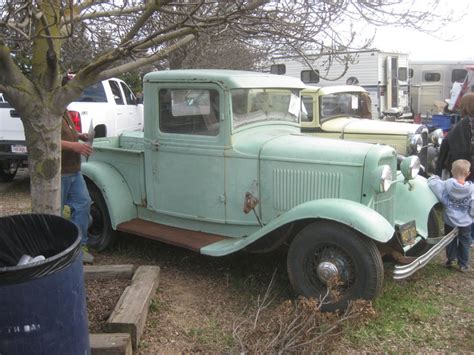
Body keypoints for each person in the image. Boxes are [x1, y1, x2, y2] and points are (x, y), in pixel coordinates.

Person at [436, 92, 474, 246]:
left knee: (461, 204)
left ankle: (461, 235)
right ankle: (470, 237)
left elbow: (448, 144)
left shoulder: (463, 125)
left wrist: (440, 169)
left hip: (465, 170)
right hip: (469, 169)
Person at [428, 159, 473, 272]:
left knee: (450, 240)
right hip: (465, 222)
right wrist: (471, 216)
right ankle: (463, 264)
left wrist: (434, 177)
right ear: (468, 174)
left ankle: (451, 259)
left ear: (452, 172)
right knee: (464, 242)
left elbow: (433, 184)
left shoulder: (445, 185)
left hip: (450, 221)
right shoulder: (471, 190)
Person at [61, 110, 94, 263]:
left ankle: (79, 248)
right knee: (55, 212)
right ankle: (57, 252)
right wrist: (74, 146)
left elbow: (66, 133)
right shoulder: (47, 111)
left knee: (83, 203)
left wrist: (80, 136)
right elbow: (45, 139)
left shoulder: (65, 110)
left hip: (74, 170)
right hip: (57, 173)